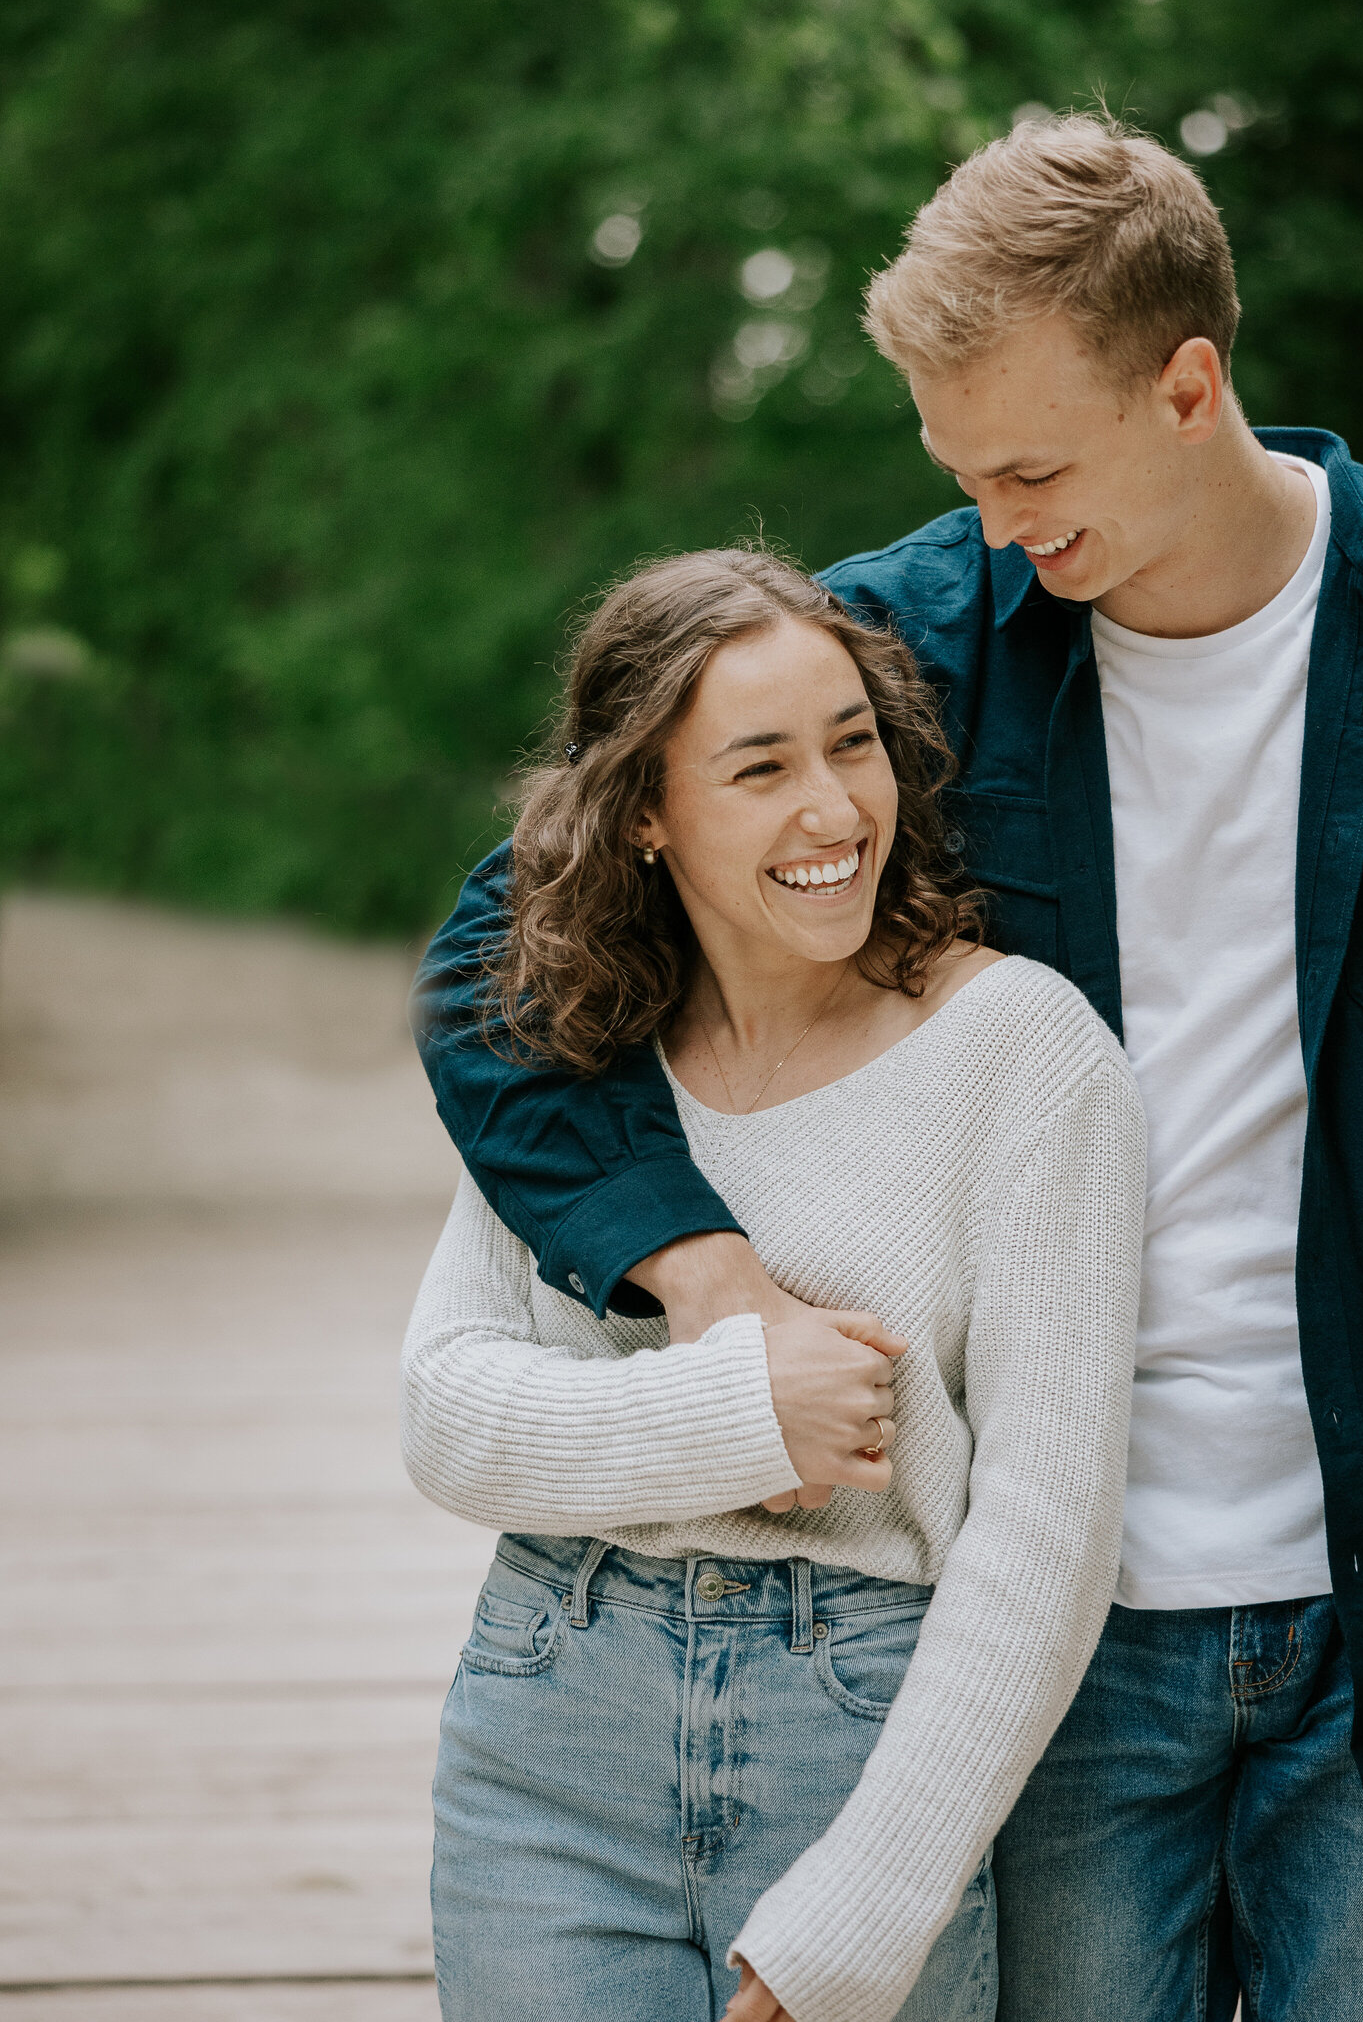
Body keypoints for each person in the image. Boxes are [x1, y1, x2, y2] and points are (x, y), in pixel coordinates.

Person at [413, 112, 1363, 2022]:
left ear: (1190, 384)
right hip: (1042, 1613)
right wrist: (687, 1263)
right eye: (960, 471)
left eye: (1034, 466)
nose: (996, 523)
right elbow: (507, 948)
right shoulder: (920, 642)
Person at [402, 545, 1147, 2022]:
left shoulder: (1025, 1056)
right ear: (647, 821)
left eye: (853, 744)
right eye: (759, 769)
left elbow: (1046, 1539)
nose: (834, 811)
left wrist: (867, 1913)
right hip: (548, 1736)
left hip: (857, 1728)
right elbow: (447, 1415)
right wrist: (748, 1409)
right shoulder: (578, 1044)